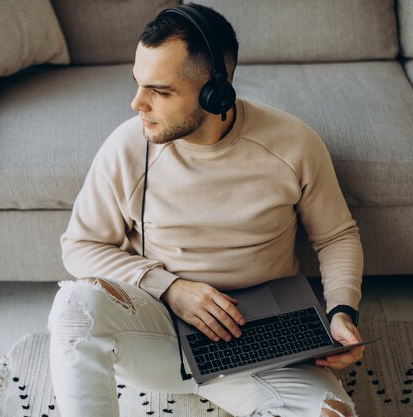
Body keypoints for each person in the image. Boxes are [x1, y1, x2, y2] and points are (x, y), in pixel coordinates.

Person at [47, 4, 364, 417]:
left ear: (216, 93)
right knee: (73, 307)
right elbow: (80, 246)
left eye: (160, 91)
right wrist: (171, 288)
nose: (136, 103)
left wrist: (342, 311)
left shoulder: (294, 144)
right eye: (138, 84)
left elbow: (336, 235)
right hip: (160, 333)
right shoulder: (127, 147)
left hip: (265, 342)